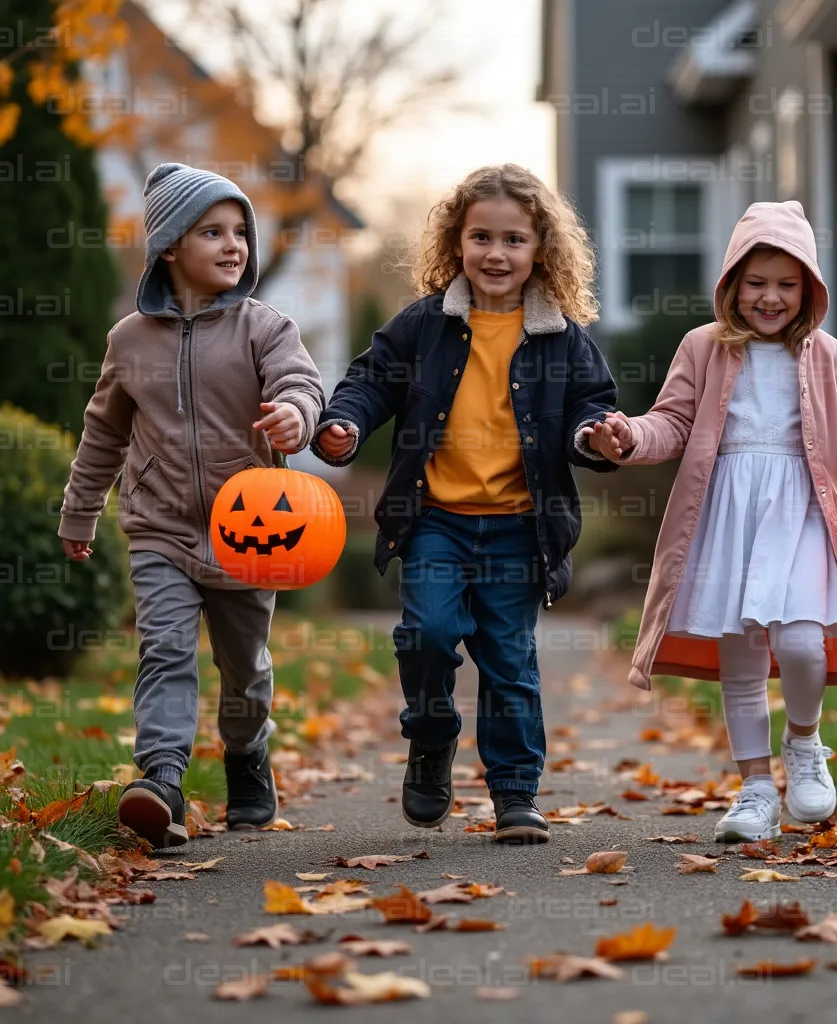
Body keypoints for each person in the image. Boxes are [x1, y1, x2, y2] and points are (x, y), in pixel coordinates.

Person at [587, 200, 837, 841]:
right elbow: (673, 421)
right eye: (756, 283)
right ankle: (753, 790)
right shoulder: (702, 347)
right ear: (732, 285)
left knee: (802, 641)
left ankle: (804, 741)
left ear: (808, 287)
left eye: (785, 283)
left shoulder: (827, 353)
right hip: (726, 511)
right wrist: (629, 435)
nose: (770, 297)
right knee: (741, 659)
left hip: (803, 508)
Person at [311, 164, 618, 843]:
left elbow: (590, 410)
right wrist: (346, 424)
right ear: (456, 243)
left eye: (514, 240)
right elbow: (370, 381)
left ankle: (514, 793)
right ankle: (431, 738)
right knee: (425, 635)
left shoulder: (561, 337)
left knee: (509, 660)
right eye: (481, 237)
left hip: (517, 527)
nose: (496, 254)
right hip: (436, 522)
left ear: (541, 249)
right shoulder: (426, 325)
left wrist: (596, 436)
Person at [59, 163, 324, 848]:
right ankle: (163, 780)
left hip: (252, 531)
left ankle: (246, 755)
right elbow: (104, 434)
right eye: (213, 231)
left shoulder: (264, 327)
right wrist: (80, 512)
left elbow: (301, 382)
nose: (234, 244)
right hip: (160, 529)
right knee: (166, 650)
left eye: (241, 231)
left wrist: (296, 414)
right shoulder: (129, 341)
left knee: (246, 671)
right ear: (171, 245)